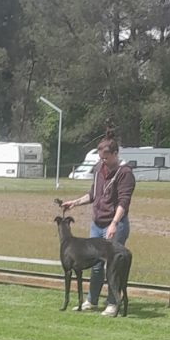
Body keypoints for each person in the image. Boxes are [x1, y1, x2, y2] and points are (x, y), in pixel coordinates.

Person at [60, 135, 136, 317]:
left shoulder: (124, 173)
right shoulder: (99, 169)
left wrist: (114, 224)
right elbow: (93, 194)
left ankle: (112, 303)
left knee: (112, 266)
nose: (103, 161)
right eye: (101, 157)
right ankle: (91, 300)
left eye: (106, 157)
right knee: (94, 266)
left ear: (115, 154)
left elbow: (123, 202)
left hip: (114, 224)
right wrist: (74, 203)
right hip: (97, 224)